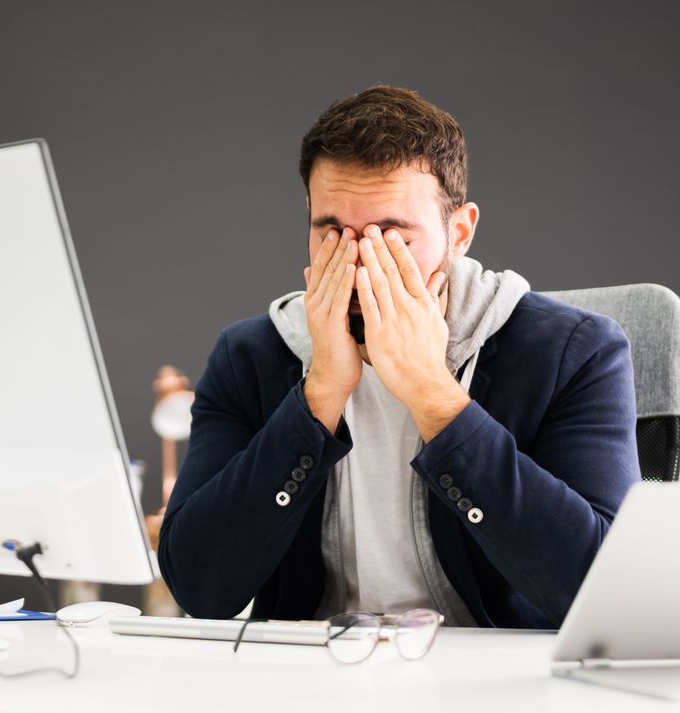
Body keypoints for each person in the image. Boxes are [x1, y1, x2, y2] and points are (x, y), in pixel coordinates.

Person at [157, 85, 640, 629]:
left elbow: (600, 590)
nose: (361, 266)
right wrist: (317, 396)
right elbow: (200, 588)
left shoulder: (574, 352)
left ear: (458, 233)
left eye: (391, 237)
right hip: (310, 681)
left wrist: (434, 394)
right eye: (333, 234)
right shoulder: (251, 356)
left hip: (495, 689)